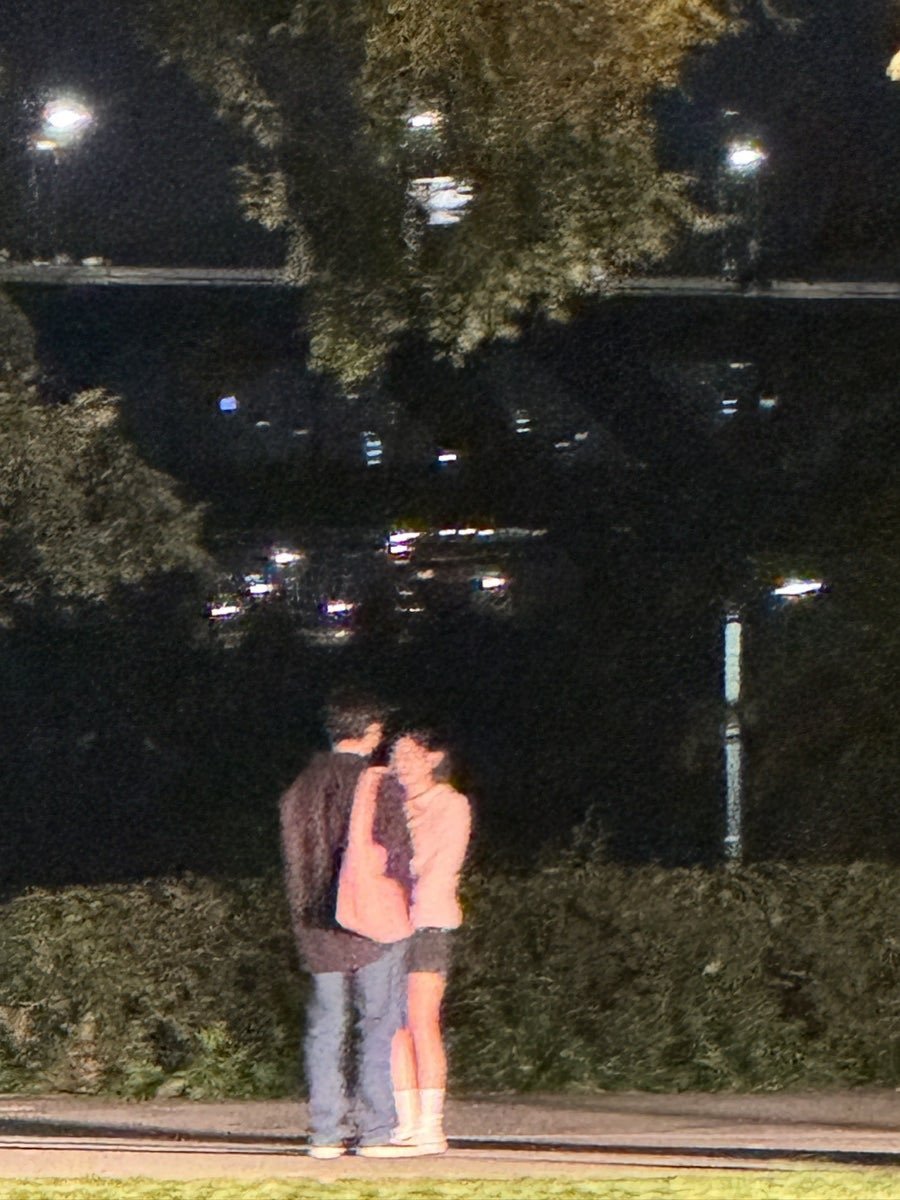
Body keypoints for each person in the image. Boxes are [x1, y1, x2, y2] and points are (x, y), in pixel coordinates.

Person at [278, 697, 411, 1158]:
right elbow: (397, 849)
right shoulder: (376, 782)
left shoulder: (301, 784)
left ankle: (325, 1132)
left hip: (316, 920)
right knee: (377, 1023)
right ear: (371, 730)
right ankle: (375, 1129)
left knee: (325, 1027)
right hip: (372, 920)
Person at [388, 728, 472, 1155]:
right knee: (393, 1024)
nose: (399, 763)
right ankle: (405, 1122)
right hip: (388, 924)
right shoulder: (392, 805)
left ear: (433, 759)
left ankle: (431, 1125)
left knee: (422, 1019)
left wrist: (398, 872)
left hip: (427, 921)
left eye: (409, 755)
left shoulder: (450, 804)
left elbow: (438, 864)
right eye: (395, 755)